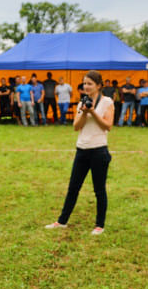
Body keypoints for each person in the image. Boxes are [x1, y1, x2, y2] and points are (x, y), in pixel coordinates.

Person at [45, 70, 114, 235]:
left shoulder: (107, 101)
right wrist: (84, 111)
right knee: (73, 188)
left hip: (99, 150)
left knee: (99, 189)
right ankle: (62, 221)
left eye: (90, 83)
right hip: (82, 149)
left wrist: (93, 112)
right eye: (84, 83)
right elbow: (76, 126)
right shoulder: (82, 101)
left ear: (98, 85)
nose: (86, 86)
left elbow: (108, 126)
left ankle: (99, 225)